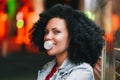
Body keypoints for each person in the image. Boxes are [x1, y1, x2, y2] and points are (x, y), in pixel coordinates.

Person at [30, 4, 104, 80]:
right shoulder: (48, 67)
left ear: (73, 36)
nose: (47, 37)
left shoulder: (82, 71)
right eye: (46, 32)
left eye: (56, 32)